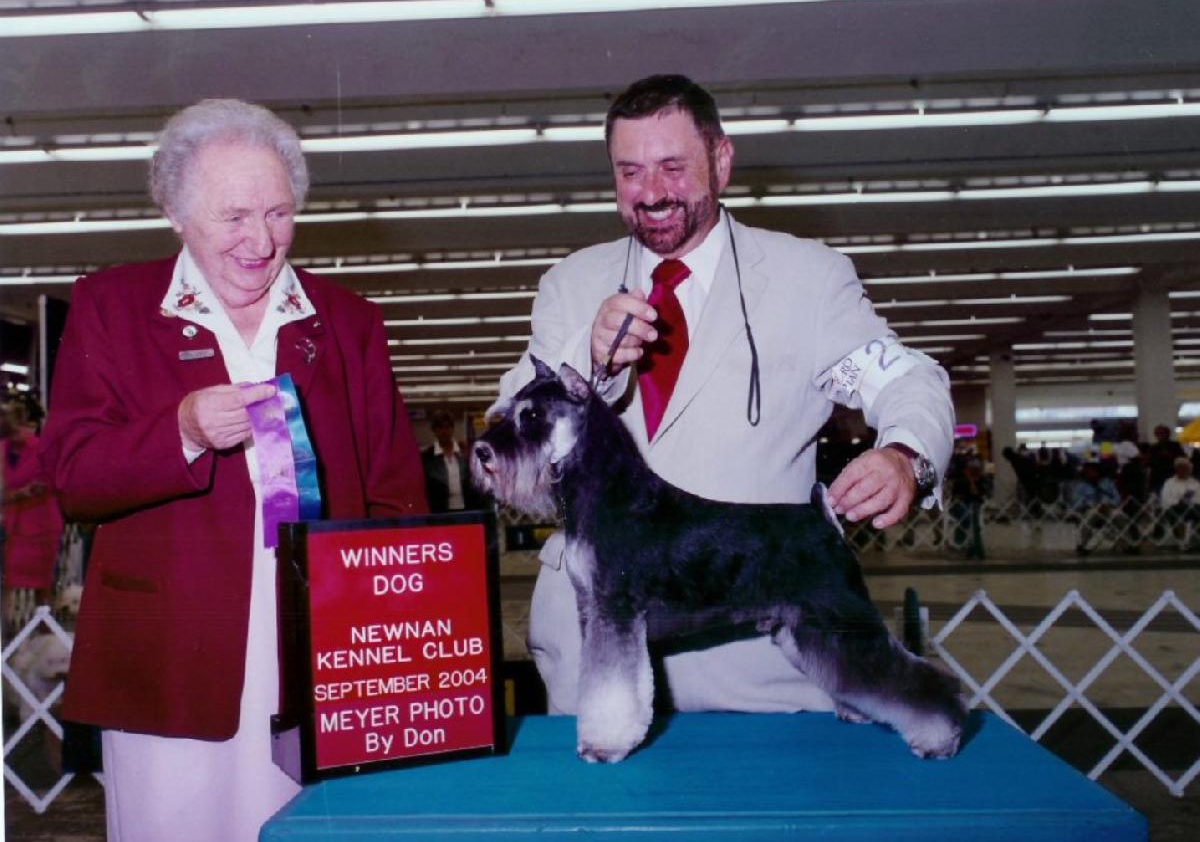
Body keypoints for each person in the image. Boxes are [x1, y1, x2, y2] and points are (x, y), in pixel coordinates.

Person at [494, 74, 954, 716]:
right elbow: (507, 431)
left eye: (673, 167)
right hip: (594, 646)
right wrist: (585, 358)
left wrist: (904, 454)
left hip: (757, 650)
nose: (651, 192)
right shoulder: (568, 284)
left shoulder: (810, 279)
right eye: (630, 172)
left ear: (722, 161)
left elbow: (908, 379)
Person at [40, 99, 428, 842]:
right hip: (169, 656)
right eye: (234, 217)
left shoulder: (349, 321)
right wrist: (180, 432)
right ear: (175, 213)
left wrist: (382, 644)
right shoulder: (111, 306)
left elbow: (395, 497)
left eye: (279, 214)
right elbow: (74, 476)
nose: (261, 240)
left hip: (321, 650)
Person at [1, 394, 64, 631]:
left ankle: (46, 633)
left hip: (42, 526)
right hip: (12, 528)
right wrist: (20, 493)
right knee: (6, 583)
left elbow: (52, 480)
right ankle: (7, 634)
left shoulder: (41, 448)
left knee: (43, 584)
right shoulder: (1, 450)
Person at [421, 409, 486, 513]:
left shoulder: (466, 453)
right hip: (440, 511)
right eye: (440, 428)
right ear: (434, 431)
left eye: (447, 427)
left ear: (452, 429)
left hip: (468, 509)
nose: (444, 431)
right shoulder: (427, 457)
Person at [1068, 461, 1121, 556]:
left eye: (1092, 471)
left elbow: (1117, 498)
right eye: (1087, 471)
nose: (1090, 473)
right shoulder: (1081, 486)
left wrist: (1109, 504)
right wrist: (1088, 504)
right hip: (1090, 509)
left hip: (1108, 508)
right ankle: (1083, 545)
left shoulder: (1108, 483)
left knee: (1120, 516)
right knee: (1089, 517)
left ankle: (1128, 544)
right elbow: (1075, 502)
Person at [1158, 456, 1200, 551]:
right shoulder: (1169, 482)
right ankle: (1182, 542)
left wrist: (1191, 501)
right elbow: (1165, 498)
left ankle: (1195, 541)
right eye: (1180, 468)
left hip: (1192, 508)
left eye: (1186, 468)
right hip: (1174, 508)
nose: (1183, 471)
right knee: (1178, 512)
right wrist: (1179, 501)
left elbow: (1199, 498)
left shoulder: (1195, 482)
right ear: (1176, 469)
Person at [1147, 424, 1186, 497]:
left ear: (1168, 434)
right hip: (1158, 477)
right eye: (1157, 433)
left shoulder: (1175, 445)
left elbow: (1182, 459)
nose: (1159, 435)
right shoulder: (1153, 448)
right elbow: (1150, 463)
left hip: (1172, 475)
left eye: (1162, 433)